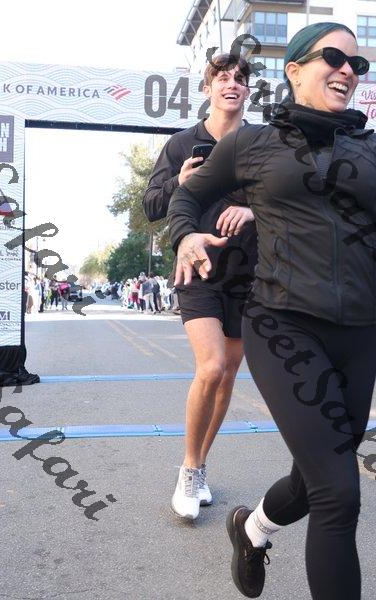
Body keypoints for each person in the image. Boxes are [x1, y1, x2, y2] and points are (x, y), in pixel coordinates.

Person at [167, 22, 376, 600]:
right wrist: (185, 234)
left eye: (358, 65)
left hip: (361, 334)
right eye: (334, 57)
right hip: (284, 326)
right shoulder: (253, 144)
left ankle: (252, 529)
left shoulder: (369, 150)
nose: (348, 70)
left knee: (315, 480)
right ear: (294, 69)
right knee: (339, 493)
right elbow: (186, 195)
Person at [144, 53, 257, 520]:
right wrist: (180, 181)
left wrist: (254, 210)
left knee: (227, 375)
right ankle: (188, 469)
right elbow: (152, 205)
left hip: (249, 273)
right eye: (222, 78)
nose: (232, 84)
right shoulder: (182, 143)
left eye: (240, 79)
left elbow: (288, 202)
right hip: (197, 269)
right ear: (208, 89)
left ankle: (202, 464)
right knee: (210, 367)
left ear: (247, 90)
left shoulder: (261, 143)